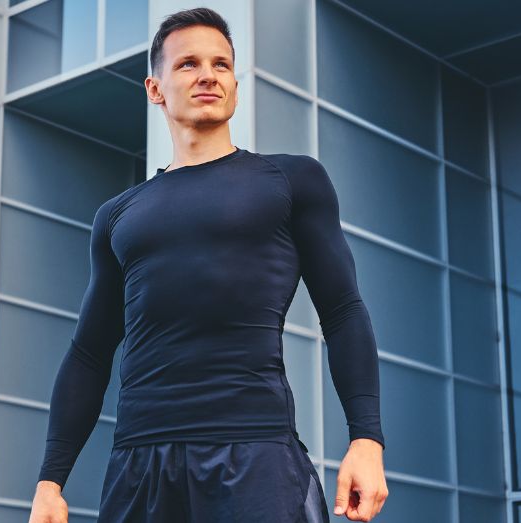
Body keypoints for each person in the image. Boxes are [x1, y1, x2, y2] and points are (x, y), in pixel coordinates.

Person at [29, 7, 388, 523]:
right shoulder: (117, 215)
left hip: (253, 456)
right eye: (188, 64)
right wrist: (50, 481)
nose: (208, 75)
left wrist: (366, 439)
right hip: (139, 465)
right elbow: (89, 352)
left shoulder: (292, 181)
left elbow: (343, 310)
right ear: (155, 89)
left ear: (235, 85)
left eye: (221, 64)